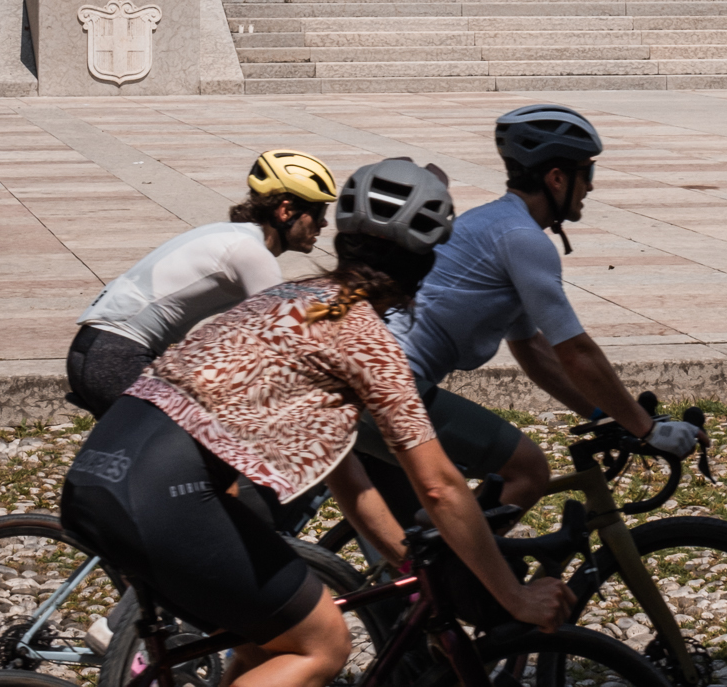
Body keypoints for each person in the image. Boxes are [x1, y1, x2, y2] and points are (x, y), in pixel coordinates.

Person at [60, 159, 571, 687]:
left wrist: (408, 564)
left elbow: (348, 478)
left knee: (269, 641)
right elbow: (440, 486)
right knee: (323, 643)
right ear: (424, 264)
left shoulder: (290, 298)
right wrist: (514, 596)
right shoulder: (366, 340)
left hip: (99, 474)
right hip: (162, 495)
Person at [357, 106, 702, 517]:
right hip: (390, 384)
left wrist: (604, 415)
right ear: (557, 178)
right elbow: (575, 352)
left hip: (366, 376)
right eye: (587, 172)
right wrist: (646, 429)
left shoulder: (495, 224)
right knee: (528, 471)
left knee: (411, 539)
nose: (591, 186)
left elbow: (533, 351)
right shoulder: (522, 238)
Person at [66, 147, 338, 420]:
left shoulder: (231, 235)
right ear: (286, 211)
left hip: (94, 347)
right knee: (205, 434)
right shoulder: (252, 253)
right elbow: (285, 335)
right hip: (118, 356)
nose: (324, 222)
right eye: (318, 212)